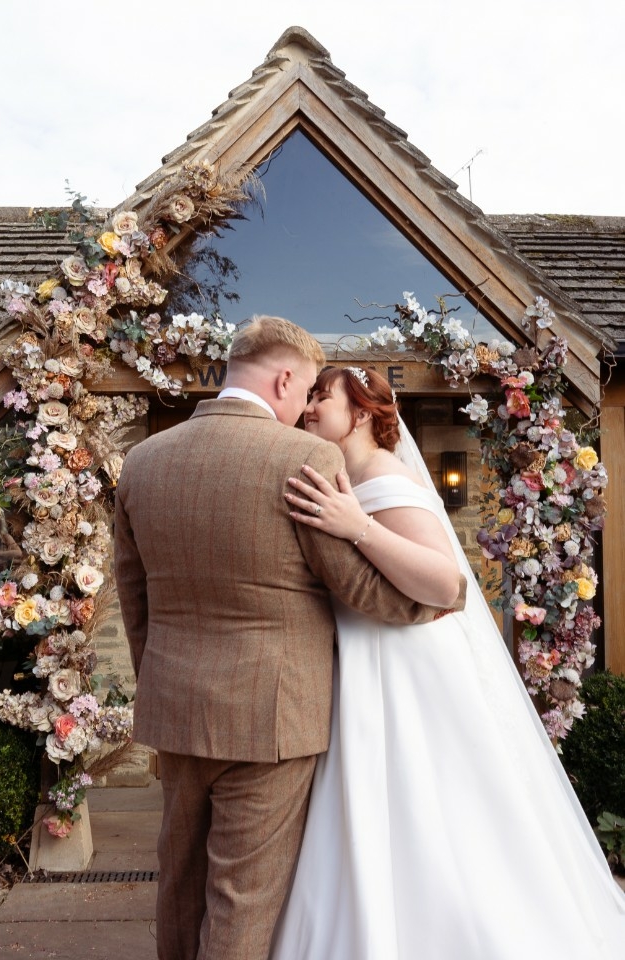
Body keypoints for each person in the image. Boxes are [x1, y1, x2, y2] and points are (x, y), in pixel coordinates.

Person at [113, 319, 466, 960]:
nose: (305, 407)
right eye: (304, 391)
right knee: (241, 900)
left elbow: (133, 596)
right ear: (283, 378)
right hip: (271, 718)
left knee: (181, 883)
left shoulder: (142, 460)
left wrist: (161, 677)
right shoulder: (304, 459)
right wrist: (435, 601)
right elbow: (353, 585)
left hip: (174, 708)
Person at [270, 365, 625, 960]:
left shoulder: (386, 477)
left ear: (359, 413)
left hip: (407, 666)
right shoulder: (345, 476)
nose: (308, 408)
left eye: (321, 398)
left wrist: (356, 526)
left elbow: (445, 583)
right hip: (360, 663)